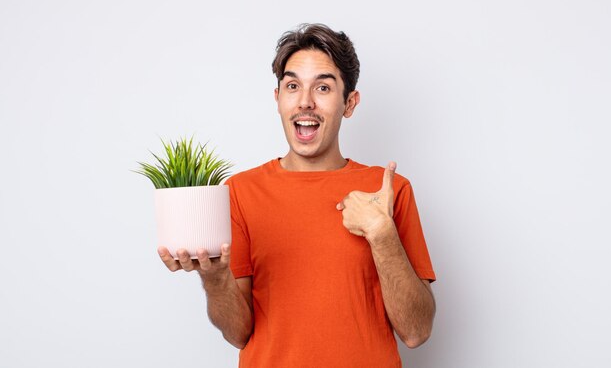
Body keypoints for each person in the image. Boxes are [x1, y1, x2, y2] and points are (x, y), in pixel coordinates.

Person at [157, 23, 436, 368]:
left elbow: (416, 331)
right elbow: (239, 334)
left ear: (350, 103)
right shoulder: (240, 193)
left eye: (323, 87)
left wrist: (382, 236)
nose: (305, 102)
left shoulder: (389, 190)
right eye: (292, 86)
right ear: (278, 100)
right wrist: (214, 279)